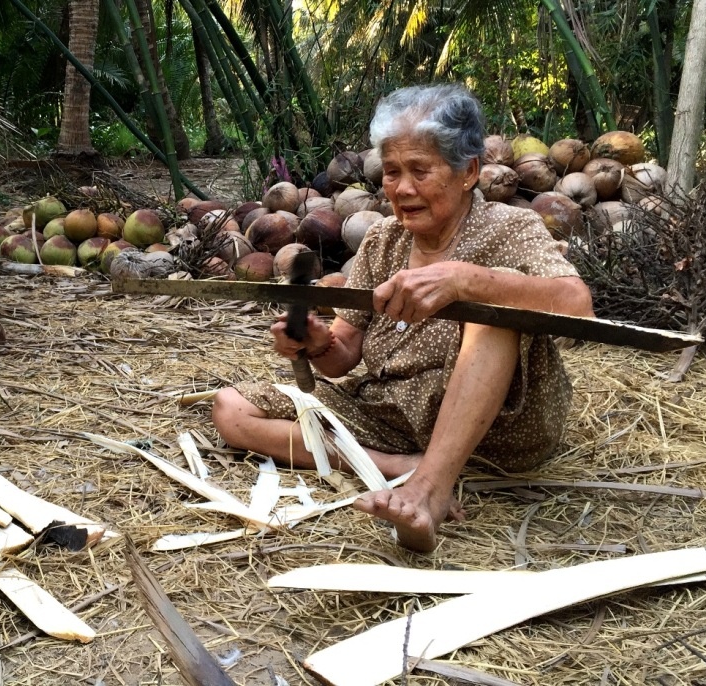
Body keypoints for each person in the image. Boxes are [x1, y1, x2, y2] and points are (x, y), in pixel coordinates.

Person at [212, 84, 594, 552]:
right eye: (392, 172)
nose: (402, 188)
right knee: (230, 407)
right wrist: (316, 343)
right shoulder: (383, 241)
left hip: (498, 433)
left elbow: (578, 306)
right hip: (393, 422)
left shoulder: (509, 228)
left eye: (420, 170)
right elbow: (343, 358)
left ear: (468, 171)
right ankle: (396, 466)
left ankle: (429, 489)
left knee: (496, 311)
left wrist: (466, 281)